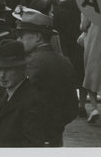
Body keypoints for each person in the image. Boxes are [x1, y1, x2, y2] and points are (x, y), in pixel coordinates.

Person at [16, 8, 78, 146]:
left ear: (38, 37)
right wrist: (56, 125)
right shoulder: (65, 62)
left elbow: (20, 103)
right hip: (55, 136)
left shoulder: (30, 64)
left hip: (31, 138)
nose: (19, 39)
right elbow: (73, 108)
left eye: (22, 35)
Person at [0, 39, 50, 147]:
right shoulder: (10, 93)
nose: (2, 75)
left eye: (8, 69)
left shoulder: (32, 101)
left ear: (22, 69)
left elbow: (33, 146)